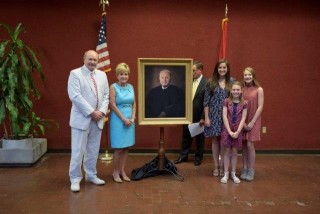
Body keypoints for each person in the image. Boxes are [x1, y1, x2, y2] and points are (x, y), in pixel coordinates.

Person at [68, 50, 109, 192]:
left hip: (98, 119)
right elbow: (75, 96)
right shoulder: (75, 74)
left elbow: (106, 96)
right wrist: (92, 112)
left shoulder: (102, 75)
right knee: (78, 151)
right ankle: (75, 178)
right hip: (82, 118)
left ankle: (91, 175)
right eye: (90, 59)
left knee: (93, 150)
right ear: (84, 59)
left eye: (95, 60)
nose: (92, 62)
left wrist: (102, 112)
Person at [174, 61, 207, 166]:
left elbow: (207, 102)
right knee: (186, 136)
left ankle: (198, 158)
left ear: (200, 70)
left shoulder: (206, 83)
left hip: (199, 115)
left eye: (193, 70)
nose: (191, 72)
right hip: (187, 115)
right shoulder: (188, 82)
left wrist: (203, 117)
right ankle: (183, 156)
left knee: (200, 138)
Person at [204, 59, 232, 177]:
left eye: (224, 67)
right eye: (220, 67)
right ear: (217, 69)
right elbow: (206, 102)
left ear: (227, 69)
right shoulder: (211, 83)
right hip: (214, 116)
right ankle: (216, 166)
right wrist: (206, 118)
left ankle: (223, 167)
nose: (222, 70)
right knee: (215, 141)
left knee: (224, 142)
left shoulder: (232, 82)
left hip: (227, 116)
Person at [109, 63, 136, 183]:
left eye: (125, 74)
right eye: (121, 74)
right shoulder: (113, 87)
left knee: (126, 147)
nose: (123, 76)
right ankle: (115, 171)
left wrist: (133, 117)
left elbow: (134, 103)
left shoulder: (131, 87)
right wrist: (124, 119)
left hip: (130, 120)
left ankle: (122, 171)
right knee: (119, 148)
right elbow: (113, 105)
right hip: (118, 120)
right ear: (117, 75)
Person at [220, 81, 248, 184]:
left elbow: (244, 117)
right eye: (234, 89)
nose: (236, 91)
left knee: (235, 152)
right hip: (227, 129)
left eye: (238, 90)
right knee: (227, 151)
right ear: (231, 91)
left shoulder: (244, 103)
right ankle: (226, 173)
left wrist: (238, 131)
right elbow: (224, 116)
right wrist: (229, 131)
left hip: (238, 130)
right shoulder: (226, 101)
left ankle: (233, 173)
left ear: (241, 91)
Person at [240, 67, 264, 181]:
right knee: (244, 145)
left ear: (253, 76)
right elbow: (239, 106)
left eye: (249, 75)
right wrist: (243, 122)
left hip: (254, 120)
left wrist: (252, 122)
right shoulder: (242, 89)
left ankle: (251, 169)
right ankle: (244, 168)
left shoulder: (259, 89)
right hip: (243, 121)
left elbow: (260, 107)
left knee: (250, 145)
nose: (247, 77)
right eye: (245, 75)